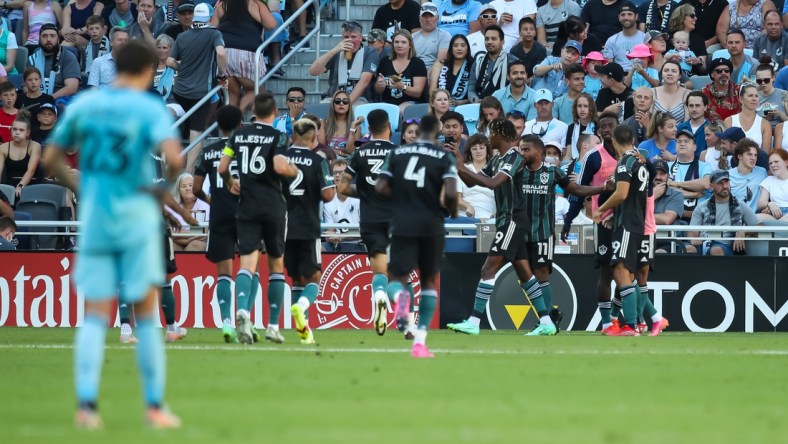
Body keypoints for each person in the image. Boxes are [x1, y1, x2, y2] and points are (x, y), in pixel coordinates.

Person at [43, 40, 183, 429]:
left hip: (99, 215)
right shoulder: (148, 108)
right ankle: (154, 407)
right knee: (147, 312)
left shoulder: (87, 104)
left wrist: (80, 184)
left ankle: (86, 407)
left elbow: (52, 156)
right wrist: (162, 187)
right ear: (149, 70)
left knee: (94, 315)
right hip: (138, 215)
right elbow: (175, 159)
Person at [218, 91, 300, 345]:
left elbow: (222, 168)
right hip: (273, 206)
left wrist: (231, 181)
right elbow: (278, 166)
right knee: (275, 266)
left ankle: (242, 309)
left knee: (247, 263)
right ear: (275, 112)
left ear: (254, 112)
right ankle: (273, 326)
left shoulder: (237, 135)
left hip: (247, 206)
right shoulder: (279, 136)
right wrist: (293, 170)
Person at [375, 115, 458, 358]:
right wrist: (450, 211)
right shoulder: (444, 157)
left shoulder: (398, 154)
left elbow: (379, 187)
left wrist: (401, 200)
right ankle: (420, 342)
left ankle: (401, 299)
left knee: (396, 278)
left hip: (402, 223)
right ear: (437, 132)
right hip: (432, 223)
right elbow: (451, 193)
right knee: (429, 281)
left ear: (419, 131)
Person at [339, 109, 399, 336]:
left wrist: (366, 192)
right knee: (400, 273)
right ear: (390, 127)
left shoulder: (360, 153)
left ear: (368, 130)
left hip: (370, 219)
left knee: (379, 273)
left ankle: (380, 297)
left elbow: (342, 188)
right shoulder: (399, 152)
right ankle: (406, 322)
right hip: (395, 220)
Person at [562, 112, 620, 334]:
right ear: (598, 131)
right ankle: (607, 323)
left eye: (610, 125)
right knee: (606, 272)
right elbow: (578, 191)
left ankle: (614, 317)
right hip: (603, 222)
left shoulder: (630, 156)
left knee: (625, 272)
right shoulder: (594, 157)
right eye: (602, 126)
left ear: (617, 127)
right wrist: (569, 219)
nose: (606, 129)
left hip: (627, 221)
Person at [191, 104, 245, 343]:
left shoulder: (209, 151)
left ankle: (226, 322)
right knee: (248, 267)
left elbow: (194, 188)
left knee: (224, 272)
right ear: (240, 125)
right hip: (247, 214)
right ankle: (246, 318)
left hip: (220, 214)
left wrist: (209, 199)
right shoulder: (246, 149)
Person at [591, 125, 649, 336]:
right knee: (623, 273)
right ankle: (633, 323)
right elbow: (636, 196)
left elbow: (622, 193)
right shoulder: (640, 162)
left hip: (627, 225)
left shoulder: (626, 162)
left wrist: (602, 210)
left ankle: (632, 325)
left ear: (614, 141)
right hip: (635, 222)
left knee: (622, 273)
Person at [284, 118, 336, 345]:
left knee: (295, 278)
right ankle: (302, 307)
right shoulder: (318, 160)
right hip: (308, 225)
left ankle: (303, 330)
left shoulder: (279, 159)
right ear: (314, 137)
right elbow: (329, 195)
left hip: (283, 227)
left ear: (293, 136)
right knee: (314, 277)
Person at [166, 2, 227, 173]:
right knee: (196, 133)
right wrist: (222, 74)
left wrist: (182, 68)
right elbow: (221, 53)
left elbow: (170, 61)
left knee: (173, 125)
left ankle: (169, 168)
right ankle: (188, 172)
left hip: (178, 92)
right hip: (200, 93)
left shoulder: (182, 36)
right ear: (209, 17)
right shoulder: (214, 33)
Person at [212, 0, 277, 112]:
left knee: (233, 94)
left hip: (224, 52)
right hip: (246, 53)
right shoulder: (254, 4)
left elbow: (212, 28)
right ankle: (238, 116)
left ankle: (230, 126)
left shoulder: (222, 5)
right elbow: (271, 25)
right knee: (256, 91)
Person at [687, 169, 762, 255]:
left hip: (725, 247)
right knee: (688, 249)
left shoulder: (740, 205)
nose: (725, 186)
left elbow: (760, 227)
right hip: (703, 244)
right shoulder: (701, 206)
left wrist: (742, 231)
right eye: (720, 183)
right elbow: (692, 232)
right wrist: (693, 239)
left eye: (726, 182)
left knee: (716, 250)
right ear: (711, 186)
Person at [309, 21, 379, 105]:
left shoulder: (369, 52)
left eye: (353, 37)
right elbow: (313, 71)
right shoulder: (337, 51)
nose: (350, 40)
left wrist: (346, 104)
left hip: (359, 99)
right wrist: (334, 50)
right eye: (346, 37)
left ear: (361, 38)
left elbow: (365, 81)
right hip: (334, 98)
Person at [374, 29, 428, 113]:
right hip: (388, 103)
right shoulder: (385, 61)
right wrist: (380, 85)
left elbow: (418, 92)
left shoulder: (417, 63)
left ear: (410, 45)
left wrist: (402, 87)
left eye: (403, 42)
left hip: (411, 103)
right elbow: (378, 90)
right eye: (396, 42)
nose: (399, 45)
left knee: (400, 111)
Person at [666, 129, 712, 220]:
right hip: (674, 217)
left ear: (694, 147)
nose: (682, 144)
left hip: (699, 218)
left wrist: (676, 184)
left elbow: (706, 184)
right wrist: (693, 194)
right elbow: (665, 189)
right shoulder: (668, 166)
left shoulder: (704, 166)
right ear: (675, 147)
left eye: (686, 141)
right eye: (679, 141)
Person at [28, 23, 80, 101]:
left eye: (52, 36)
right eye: (45, 36)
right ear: (39, 39)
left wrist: (49, 98)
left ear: (58, 39)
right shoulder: (32, 59)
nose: (48, 39)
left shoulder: (68, 57)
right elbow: (26, 86)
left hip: (61, 99)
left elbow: (71, 87)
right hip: (36, 98)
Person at [468, 25, 518, 102]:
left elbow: (518, 88)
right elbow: (471, 89)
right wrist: (476, 101)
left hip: (506, 103)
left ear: (502, 42)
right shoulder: (478, 64)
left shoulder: (514, 62)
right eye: (487, 39)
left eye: (493, 39)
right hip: (481, 104)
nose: (489, 42)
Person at [322, 159, 362, 252]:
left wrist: (343, 236)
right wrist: (329, 237)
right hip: (338, 243)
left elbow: (365, 230)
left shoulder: (358, 198)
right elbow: (330, 230)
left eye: (341, 172)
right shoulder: (328, 203)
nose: (337, 175)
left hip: (359, 242)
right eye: (335, 172)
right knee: (320, 249)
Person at [725, 83, 772, 154]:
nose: (754, 99)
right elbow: (725, 148)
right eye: (750, 96)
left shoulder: (765, 124)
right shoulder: (729, 121)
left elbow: (765, 154)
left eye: (756, 96)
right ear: (741, 99)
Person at [0, 111, 39, 196]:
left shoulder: (34, 146)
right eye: (14, 129)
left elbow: (31, 170)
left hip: (30, 184)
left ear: (27, 132)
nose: (17, 132)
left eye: (21, 130)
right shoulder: (3, 147)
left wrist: (21, 186)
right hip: (9, 185)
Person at [166, 173, 209, 251]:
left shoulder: (203, 204)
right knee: (170, 245)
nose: (188, 188)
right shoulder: (173, 205)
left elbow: (204, 231)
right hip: (178, 241)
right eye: (184, 186)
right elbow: (169, 231)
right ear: (179, 190)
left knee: (194, 245)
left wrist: (179, 233)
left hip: (198, 242)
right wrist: (185, 240)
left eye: (190, 185)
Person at [457, 133, 495, 220]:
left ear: (487, 150)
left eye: (481, 148)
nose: (478, 151)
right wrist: (468, 206)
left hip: (488, 216)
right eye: (474, 149)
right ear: (469, 151)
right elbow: (456, 199)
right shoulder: (462, 169)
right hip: (464, 215)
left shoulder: (496, 170)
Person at [429, 34, 472, 106]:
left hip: (464, 107)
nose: (459, 48)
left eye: (463, 45)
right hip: (440, 106)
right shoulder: (440, 64)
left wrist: (458, 103)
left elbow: (475, 95)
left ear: (467, 48)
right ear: (451, 48)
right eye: (455, 46)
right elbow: (432, 91)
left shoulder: (473, 65)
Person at [652, 159, 685, 252]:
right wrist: (651, 197)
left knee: (658, 254)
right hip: (644, 238)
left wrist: (639, 216)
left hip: (668, 241)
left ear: (668, 177)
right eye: (655, 173)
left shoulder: (676, 195)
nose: (658, 177)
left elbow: (667, 219)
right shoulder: (641, 193)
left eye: (662, 174)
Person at [603, 3, 646, 72]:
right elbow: (609, 67)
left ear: (636, 16)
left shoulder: (645, 39)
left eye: (630, 14)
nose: (626, 18)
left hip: (640, 76)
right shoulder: (611, 40)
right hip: (619, 78)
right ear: (619, 17)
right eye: (623, 15)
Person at [728, 138, 768, 211]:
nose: (753, 158)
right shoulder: (728, 175)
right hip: (735, 217)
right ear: (739, 156)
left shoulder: (762, 172)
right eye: (749, 154)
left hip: (756, 218)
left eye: (755, 155)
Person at [666, 4, 707, 73]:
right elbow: (662, 61)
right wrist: (670, 60)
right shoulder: (668, 37)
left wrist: (699, 62)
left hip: (693, 76)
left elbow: (703, 68)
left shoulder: (698, 39)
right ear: (682, 17)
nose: (695, 18)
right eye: (692, 16)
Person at [412, 2, 450, 72]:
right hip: (414, 72)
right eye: (424, 16)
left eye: (431, 16)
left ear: (437, 18)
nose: (427, 19)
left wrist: (427, 75)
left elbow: (440, 61)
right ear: (419, 18)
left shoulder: (444, 35)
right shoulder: (412, 37)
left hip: (436, 73)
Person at [510, 17, 547, 82]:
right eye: (525, 29)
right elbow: (513, 70)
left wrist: (529, 80)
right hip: (518, 80)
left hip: (536, 81)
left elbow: (541, 71)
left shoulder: (541, 50)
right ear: (520, 32)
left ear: (535, 32)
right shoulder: (514, 50)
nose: (528, 32)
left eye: (531, 29)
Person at [322, 90, 357, 158]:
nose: (341, 103)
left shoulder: (355, 125)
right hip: (329, 160)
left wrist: (353, 127)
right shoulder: (324, 123)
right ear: (333, 104)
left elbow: (350, 151)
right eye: (338, 101)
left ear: (349, 105)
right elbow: (321, 148)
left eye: (345, 101)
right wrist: (339, 152)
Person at [756, 148, 788, 221]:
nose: (773, 165)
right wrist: (770, 204)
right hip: (775, 213)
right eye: (770, 163)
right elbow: (760, 203)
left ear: (786, 163)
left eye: (776, 162)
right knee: (755, 219)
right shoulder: (769, 180)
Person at [755, 60, 788, 130]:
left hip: (780, 133)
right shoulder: (754, 96)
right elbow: (748, 122)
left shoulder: (784, 94)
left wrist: (780, 115)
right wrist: (761, 120)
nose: (763, 83)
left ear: (773, 78)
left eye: (766, 80)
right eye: (759, 81)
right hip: (760, 132)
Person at [564, 92, 597, 159]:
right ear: (575, 108)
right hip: (574, 162)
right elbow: (568, 154)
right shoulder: (571, 127)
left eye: (585, 106)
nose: (582, 109)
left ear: (591, 108)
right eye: (579, 106)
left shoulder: (598, 126)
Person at [676, 91, 710, 156]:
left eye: (697, 106)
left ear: (705, 107)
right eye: (691, 106)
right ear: (687, 107)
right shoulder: (678, 128)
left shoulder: (712, 129)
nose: (694, 109)